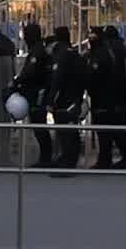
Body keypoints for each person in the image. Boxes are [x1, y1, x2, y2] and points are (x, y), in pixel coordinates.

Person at [45, 27, 89, 171]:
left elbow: (57, 79)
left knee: (65, 131)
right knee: (71, 130)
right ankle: (69, 159)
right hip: (75, 96)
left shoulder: (60, 55)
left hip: (64, 98)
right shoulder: (75, 53)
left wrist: (50, 100)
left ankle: (67, 161)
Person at [88, 25, 126, 169]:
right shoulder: (124, 49)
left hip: (103, 95)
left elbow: (95, 75)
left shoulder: (103, 51)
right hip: (123, 94)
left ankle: (105, 159)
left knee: (105, 129)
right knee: (120, 128)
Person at [12, 22, 53, 167]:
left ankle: (46, 158)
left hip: (37, 93)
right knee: (38, 126)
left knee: (39, 126)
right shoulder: (36, 50)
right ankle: (45, 157)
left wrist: (17, 82)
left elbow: (30, 72)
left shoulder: (38, 51)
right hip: (34, 92)